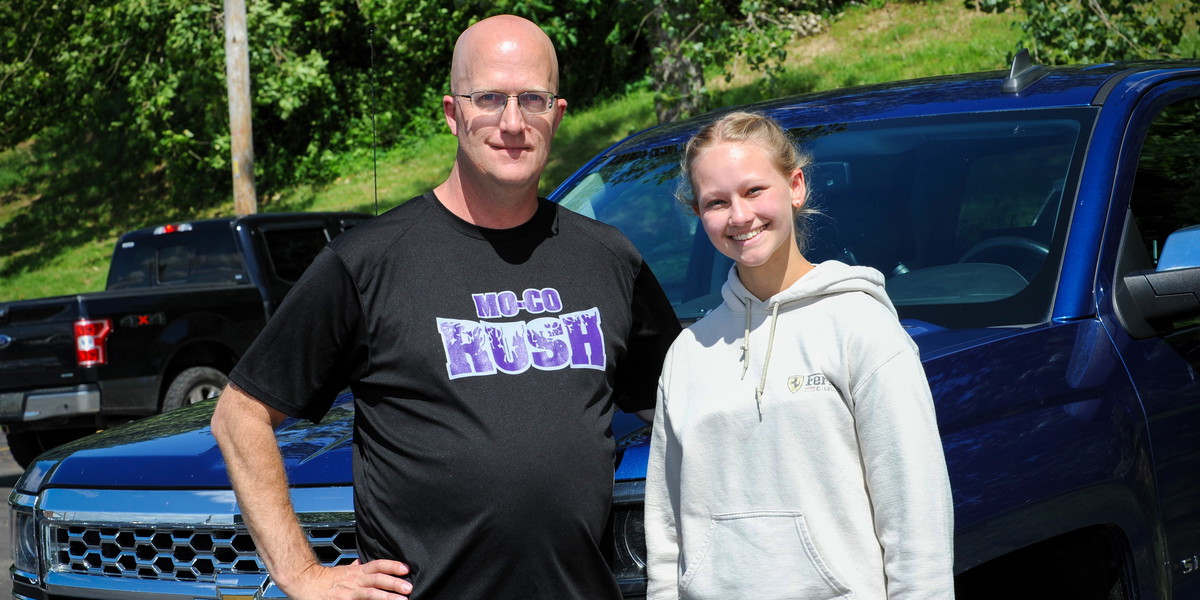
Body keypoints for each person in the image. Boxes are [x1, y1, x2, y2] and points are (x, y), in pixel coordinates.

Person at [211, 14, 680, 600]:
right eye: (489, 98)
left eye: (532, 99)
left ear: (557, 114)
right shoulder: (367, 262)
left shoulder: (609, 260)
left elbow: (678, 407)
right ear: (452, 113)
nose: (512, 122)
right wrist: (301, 573)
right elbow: (240, 415)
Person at [644, 111, 954, 599]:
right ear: (699, 213)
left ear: (796, 186)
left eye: (753, 191)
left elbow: (916, 515)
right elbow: (666, 538)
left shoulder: (862, 328)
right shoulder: (688, 354)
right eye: (716, 202)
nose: (740, 216)